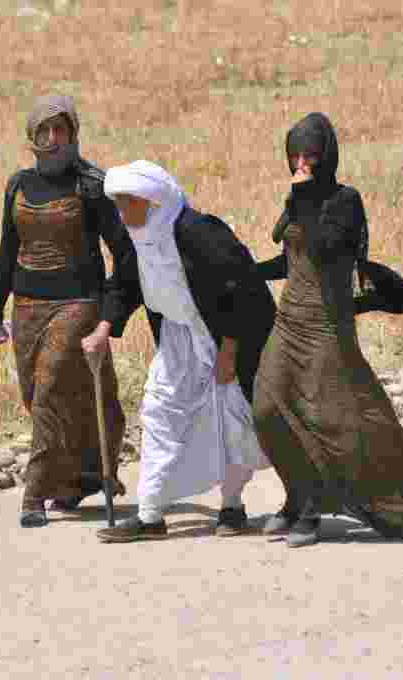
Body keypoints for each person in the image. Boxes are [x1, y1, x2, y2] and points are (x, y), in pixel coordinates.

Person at [252, 112, 403, 548]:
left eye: (311, 156)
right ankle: (296, 493)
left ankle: (315, 508)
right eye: (294, 156)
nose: (302, 165)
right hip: (289, 321)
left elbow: (324, 249)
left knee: (325, 420)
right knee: (266, 409)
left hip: (325, 326)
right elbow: (292, 257)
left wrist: (302, 199)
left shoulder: (344, 200)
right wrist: (249, 271)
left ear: (328, 157)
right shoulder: (297, 197)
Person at [82, 160, 276, 543]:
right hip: (176, 337)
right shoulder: (137, 237)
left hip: (221, 336)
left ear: (152, 201)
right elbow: (123, 285)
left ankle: (232, 506)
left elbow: (241, 288)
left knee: (230, 418)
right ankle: (150, 515)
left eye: (128, 204)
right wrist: (103, 329)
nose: (121, 214)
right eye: (117, 205)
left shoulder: (198, 233)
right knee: (159, 412)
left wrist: (230, 351)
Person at [0, 94, 135, 528]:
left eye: (61, 130)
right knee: (37, 398)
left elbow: (124, 254)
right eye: (44, 131)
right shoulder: (18, 185)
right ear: (32, 137)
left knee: (49, 389)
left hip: (77, 305)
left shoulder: (91, 186)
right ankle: (75, 480)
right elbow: (8, 251)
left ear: (73, 134)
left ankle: (35, 495)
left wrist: (107, 314)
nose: (54, 139)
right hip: (27, 307)